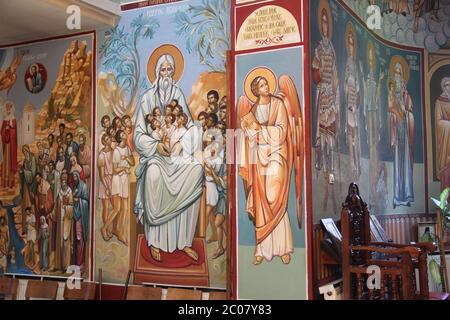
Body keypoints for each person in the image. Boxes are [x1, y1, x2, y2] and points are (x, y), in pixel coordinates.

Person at [134, 49, 203, 262]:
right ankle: (154, 240)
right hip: (156, 156)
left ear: (174, 72)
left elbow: (191, 125)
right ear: (156, 72)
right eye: (162, 70)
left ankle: (183, 241)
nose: (166, 74)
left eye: (169, 70)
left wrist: (182, 144)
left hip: (176, 155)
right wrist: (156, 146)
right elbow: (138, 135)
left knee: (197, 170)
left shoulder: (178, 94)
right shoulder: (147, 98)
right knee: (153, 175)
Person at [239, 76, 294, 265]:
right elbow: (250, 139)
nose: (266, 87)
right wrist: (247, 131)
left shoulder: (278, 105)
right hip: (259, 159)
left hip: (278, 155)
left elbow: (282, 132)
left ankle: (283, 247)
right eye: (262, 85)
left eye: (266, 83)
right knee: (261, 201)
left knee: (275, 195)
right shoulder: (252, 110)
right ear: (255, 90)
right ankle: (262, 249)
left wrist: (259, 128)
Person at [312, 2, 339, 213]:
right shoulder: (319, 49)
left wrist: (336, 90)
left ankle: (329, 164)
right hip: (322, 91)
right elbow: (315, 72)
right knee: (321, 128)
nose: (324, 27)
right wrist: (321, 75)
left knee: (331, 129)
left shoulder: (332, 50)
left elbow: (336, 74)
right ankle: (321, 158)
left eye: (326, 23)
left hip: (332, 91)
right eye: (321, 23)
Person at [388, 58, 415, 208]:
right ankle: (397, 197)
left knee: (405, 163)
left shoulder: (406, 95)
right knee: (398, 164)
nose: (397, 76)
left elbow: (410, 113)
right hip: (396, 133)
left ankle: (407, 195)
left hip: (404, 131)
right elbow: (389, 110)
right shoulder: (392, 94)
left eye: (399, 73)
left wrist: (405, 112)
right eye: (396, 73)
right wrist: (393, 113)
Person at [361, 42, 384, 208]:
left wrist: (381, 81)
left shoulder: (374, 79)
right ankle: (372, 191)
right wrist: (363, 75)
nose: (370, 64)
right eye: (368, 61)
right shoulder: (366, 78)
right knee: (371, 146)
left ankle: (375, 192)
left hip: (374, 111)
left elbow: (376, 96)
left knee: (374, 145)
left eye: (371, 62)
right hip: (368, 111)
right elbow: (365, 94)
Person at [101, 130, 134, 244]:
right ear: (120, 138)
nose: (125, 134)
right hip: (117, 179)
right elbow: (114, 170)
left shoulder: (128, 149)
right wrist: (124, 168)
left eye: (124, 134)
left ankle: (121, 233)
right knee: (117, 208)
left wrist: (127, 158)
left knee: (125, 209)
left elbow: (133, 162)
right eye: (122, 134)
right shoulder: (116, 151)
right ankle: (104, 228)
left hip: (125, 179)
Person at [344, 23, 361, 181]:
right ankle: (352, 162)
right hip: (349, 104)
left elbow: (357, 87)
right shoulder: (348, 64)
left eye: (352, 44)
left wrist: (356, 101)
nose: (350, 46)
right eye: (348, 43)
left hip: (355, 104)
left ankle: (356, 161)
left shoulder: (355, 65)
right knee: (350, 132)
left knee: (355, 134)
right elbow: (346, 83)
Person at [435, 77, 450, 200]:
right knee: (446, 172)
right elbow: (438, 122)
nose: (449, 87)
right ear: (443, 87)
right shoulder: (439, 101)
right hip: (446, 145)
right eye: (446, 85)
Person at [98, 134, 113, 239]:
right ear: (103, 142)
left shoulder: (113, 151)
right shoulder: (101, 155)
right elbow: (102, 174)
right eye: (106, 139)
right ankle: (105, 230)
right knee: (106, 207)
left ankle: (107, 227)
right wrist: (106, 186)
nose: (109, 140)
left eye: (109, 138)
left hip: (114, 180)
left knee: (115, 206)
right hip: (105, 181)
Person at [72, 172, 89, 268]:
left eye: (75, 176)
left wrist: (79, 200)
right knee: (77, 240)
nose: (74, 178)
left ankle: (81, 262)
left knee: (81, 239)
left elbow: (86, 200)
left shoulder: (84, 186)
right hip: (76, 214)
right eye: (73, 176)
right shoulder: (75, 187)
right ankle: (78, 262)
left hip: (82, 216)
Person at [1, 101, 18, 188]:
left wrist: (10, 128)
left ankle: (10, 182)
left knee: (10, 162)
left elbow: (14, 133)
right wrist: (5, 130)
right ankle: (5, 182)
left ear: (12, 109)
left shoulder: (13, 119)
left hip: (11, 145)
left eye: (9, 108)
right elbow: (2, 132)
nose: (8, 110)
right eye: (7, 108)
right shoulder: (5, 120)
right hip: (6, 145)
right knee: (6, 162)